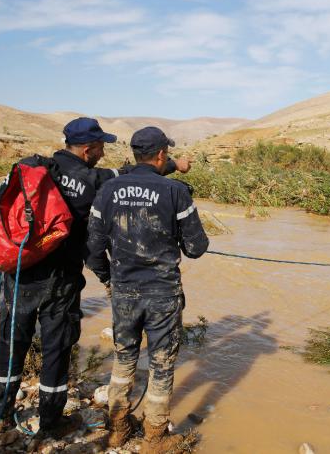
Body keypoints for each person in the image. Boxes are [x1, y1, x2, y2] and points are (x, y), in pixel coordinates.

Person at [0, 117, 119, 436]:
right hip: (61, 277)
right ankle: (50, 423)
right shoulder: (90, 181)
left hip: (20, 270)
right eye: (101, 146)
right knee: (56, 350)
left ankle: (1, 417)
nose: (103, 151)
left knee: (10, 343)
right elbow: (92, 241)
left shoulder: (33, 167)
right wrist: (107, 275)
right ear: (88, 149)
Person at [87, 126, 208, 451]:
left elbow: (93, 248)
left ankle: (117, 429)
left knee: (124, 358)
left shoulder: (108, 190)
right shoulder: (175, 191)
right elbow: (197, 247)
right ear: (160, 156)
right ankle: (155, 437)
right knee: (162, 362)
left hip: (124, 292)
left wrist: (109, 279)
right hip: (163, 295)